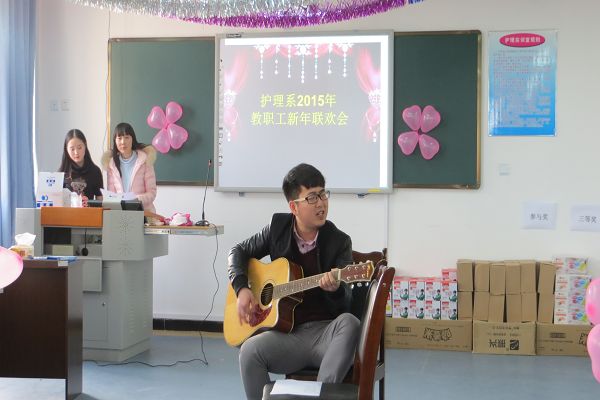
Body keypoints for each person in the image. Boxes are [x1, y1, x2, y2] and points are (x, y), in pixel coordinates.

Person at [228, 163, 360, 400]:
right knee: (249, 351)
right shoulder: (277, 228)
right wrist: (242, 289)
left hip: (325, 334)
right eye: (312, 197)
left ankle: (320, 396)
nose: (321, 203)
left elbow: (346, 303)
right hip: (288, 336)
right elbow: (237, 251)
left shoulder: (339, 241)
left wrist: (335, 290)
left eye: (323, 194)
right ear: (293, 207)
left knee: (350, 323)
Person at [102, 122, 157, 212]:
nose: (123, 142)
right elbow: (111, 196)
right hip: (120, 214)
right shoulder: (111, 165)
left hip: (143, 213)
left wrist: (136, 200)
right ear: (115, 141)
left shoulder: (145, 160)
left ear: (132, 139)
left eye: (127, 137)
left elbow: (152, 193)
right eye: (119, 138)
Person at [58, 129, 103, 204]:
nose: (76, 152)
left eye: (79, 148)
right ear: (66, 150)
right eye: (72, 149)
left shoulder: (95, 171)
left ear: (85, 145)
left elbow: (100, 200)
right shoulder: (61, 174)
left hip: (89, 211)